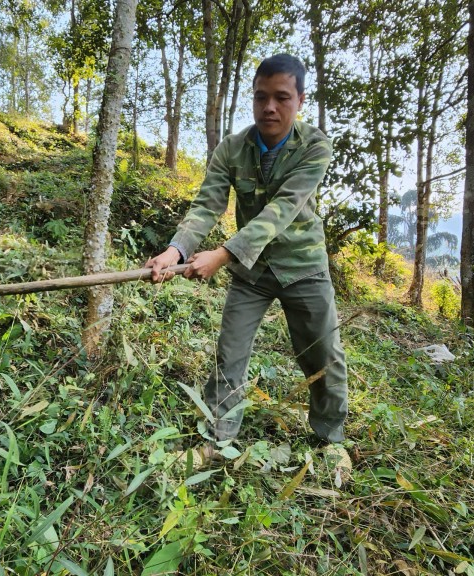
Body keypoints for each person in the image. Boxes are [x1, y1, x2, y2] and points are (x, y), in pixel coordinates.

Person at [145, 54, 349, 462]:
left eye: (281, 97)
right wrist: (175, 250)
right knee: (230, 353)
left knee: (323, 354)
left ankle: (330, 441)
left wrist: (221, 255)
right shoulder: (232, 148)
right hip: (251, 271)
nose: (269, 107)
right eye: (261, 97)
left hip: (303, 266)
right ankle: (218, 440)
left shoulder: (315, 146)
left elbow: (283, 209)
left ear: (300, 100)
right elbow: (207, 205)